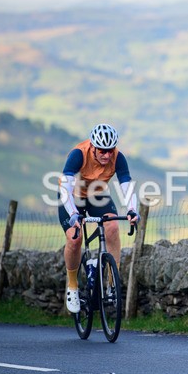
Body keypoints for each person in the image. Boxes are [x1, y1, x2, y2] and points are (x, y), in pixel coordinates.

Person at [58, 123, 138, 314]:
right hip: (72, 196)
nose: (107, 155)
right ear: (93, 147)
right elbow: (66, 187)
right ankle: (72, 286)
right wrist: (73, 214)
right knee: (75, 239)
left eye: (110, 150)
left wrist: (132, 210)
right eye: (102, 151)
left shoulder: (118, 157)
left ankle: (111, 282)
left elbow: (126, 184)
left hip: (97, 194)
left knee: (112, 226)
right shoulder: (79, 154)